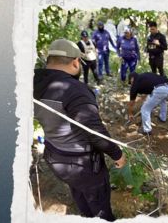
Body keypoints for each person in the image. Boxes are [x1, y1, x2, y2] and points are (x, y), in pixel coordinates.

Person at [33, 39, 126, 221]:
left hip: (55, 157)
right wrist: (118, 154)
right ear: (76, 62)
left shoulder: (32, 80)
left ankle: (85, 215)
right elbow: (95, 133)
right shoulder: (75, 90)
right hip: (82, 165)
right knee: (99, 204)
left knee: (77, 190)